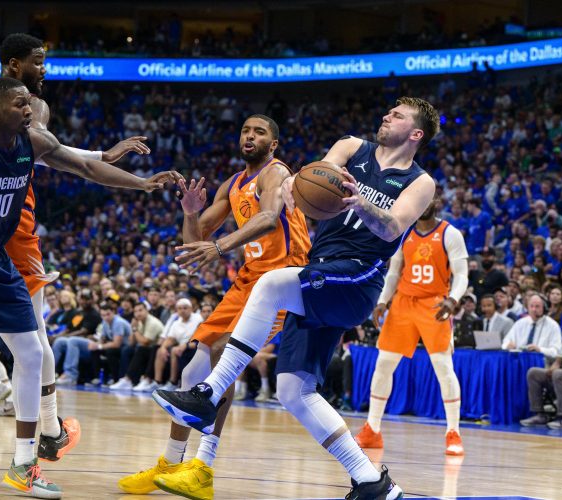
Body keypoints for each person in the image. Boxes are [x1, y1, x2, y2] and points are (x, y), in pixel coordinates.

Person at [0, 77, 178, 499]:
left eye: (29, 104)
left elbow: (87, 167)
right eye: (20, 104)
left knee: (32, 353)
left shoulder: (33, 141)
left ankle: (24, 465)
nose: (29, 110)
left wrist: (140, 183)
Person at [153, 97, 440, 499]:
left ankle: (208, 393)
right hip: (322, 268)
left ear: (416, 133)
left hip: (359, 275)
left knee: (271, 285)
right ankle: (371, 481)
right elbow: (316, 175)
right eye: (389, 111)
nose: (387, 115)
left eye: (398, 115)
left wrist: (361, 201)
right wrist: (293, 186)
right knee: (293, 390)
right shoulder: (351, 147)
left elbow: (393, 229)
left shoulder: (420, 181)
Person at [118, 114, 311, 500]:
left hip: (284, 279)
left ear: (273, 144)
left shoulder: (276, 173)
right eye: (245, 130)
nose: (250, 136)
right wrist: (190, 212)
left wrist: (220, 246)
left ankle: (203, 467)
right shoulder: (233, 184)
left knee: (223, 355)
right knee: (195, 366)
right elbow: (195, 241)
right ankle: (171, 464)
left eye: (259, 132)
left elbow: (268, 218)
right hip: (248, 279)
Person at [354, 196, 469, 456]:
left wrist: (453, 300)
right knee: (383, 365)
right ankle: (372, 429)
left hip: (435, 304)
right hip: (403, 304)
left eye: (429, 199)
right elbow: (394, 271)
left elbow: (462, 275)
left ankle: (453, 432)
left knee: (443, 367)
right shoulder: (403, 232)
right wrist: (382, 301)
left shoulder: (450, 234)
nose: (424, 203)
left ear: (436, 201)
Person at [520, 313, 562, 429]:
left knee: (559, 373)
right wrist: (553, 367)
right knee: (534, 373)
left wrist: (561, 369)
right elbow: (559, 360)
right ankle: (539, 414)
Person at [502, 294, 562, 358]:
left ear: (544, 308)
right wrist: (507, 345)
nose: (534, 309)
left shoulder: (553, 326)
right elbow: (505, 341)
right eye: (531, 306)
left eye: (537, 306)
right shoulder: (520, 323)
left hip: (542, 362)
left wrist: (540, 350)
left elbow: (556, 352)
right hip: (520, 360)